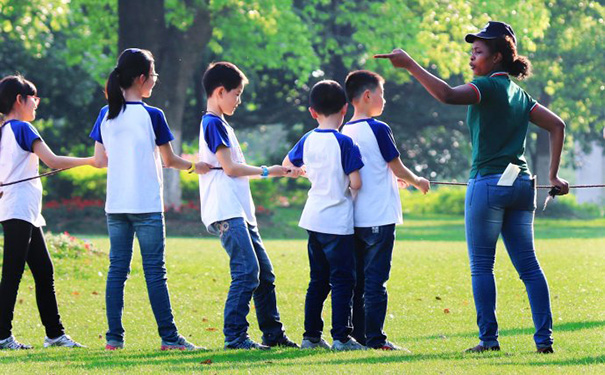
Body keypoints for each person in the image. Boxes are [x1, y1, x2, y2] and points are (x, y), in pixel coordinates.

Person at [375, 21, 569, 354]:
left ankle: (489, 340)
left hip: (488, 184)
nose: (472, 58)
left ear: (496, 58)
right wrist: (553, 175)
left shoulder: (487, 86)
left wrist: (409, 65)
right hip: (521, 185)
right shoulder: (520, 95)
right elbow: (557, 125)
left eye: (478, 52)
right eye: (472, 52)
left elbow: (447, 95)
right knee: (530, 267)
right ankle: (544, 341)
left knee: (482, 266)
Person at [90, 48, 208, 351]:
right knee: (155, 272)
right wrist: (196, 166)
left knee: (118, 270)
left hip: (116, 206)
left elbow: (99, 160)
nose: (155, 80)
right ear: (142, 78)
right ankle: (169, 338)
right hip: (146, 206)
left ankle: (114, 339)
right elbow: (170, 160)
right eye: (153, 75)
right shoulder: (152, 115)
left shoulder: (106, 114)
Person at [198, 61, 298, 350]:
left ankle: (273, 334)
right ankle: (235, 336)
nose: (238, 101)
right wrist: (270, 170)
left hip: (240, 210)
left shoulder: (221, 123)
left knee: (264, 274)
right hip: (227, 209)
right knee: (246, 271)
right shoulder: (213, 123)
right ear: (220, 92)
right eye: (236, 94)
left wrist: (276, 170)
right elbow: (230, 168)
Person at [0, 75, 90, 349]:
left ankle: (54, 334)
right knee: (13, 274)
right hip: (19, 210)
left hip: (21, 210)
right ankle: (3, 336)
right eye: (34, 98)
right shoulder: (23, 128)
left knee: (43, 270)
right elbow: (52, 160)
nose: (36, 104)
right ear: (20, 100)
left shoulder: (4, 130)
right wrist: (94, 161)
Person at [342, 70, 430, 351]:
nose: (384, 99)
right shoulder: (379, 128)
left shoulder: (344, 131)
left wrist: (394, 179)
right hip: (379, 216)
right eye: (382, 93)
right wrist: (417, 181)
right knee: (376, 282)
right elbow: (395, 165)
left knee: (357, 282)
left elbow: (369, 168)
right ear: (368, 96)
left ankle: (357, 336)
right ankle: (377, 339)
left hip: (353, 218)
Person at [283, 80, 366, 351]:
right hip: (337, 222)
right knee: (343, 280)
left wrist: (307, 172)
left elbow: (288, 165)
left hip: (313, 219)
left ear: (312, 111)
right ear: (345, 109)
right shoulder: (345, 142)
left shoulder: (308, 138)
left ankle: (311, 336)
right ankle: (341, 337)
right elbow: (356, 183)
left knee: (318, 279)